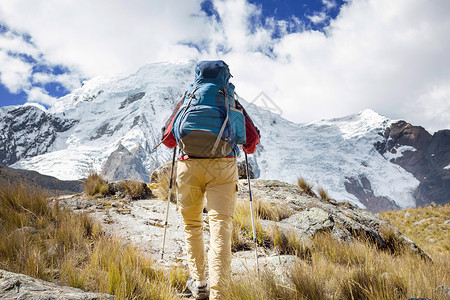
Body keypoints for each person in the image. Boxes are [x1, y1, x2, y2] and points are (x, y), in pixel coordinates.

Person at [161, 60, 260, 300]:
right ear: (225, 77)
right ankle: (219, 293)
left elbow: (167, 138)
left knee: (192, 226)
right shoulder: (229, 101)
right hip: (223, 168)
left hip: (188, 166)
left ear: (198, 77)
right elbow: (252, 140)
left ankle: (200, 283)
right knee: (221, 230)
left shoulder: (188, 100)